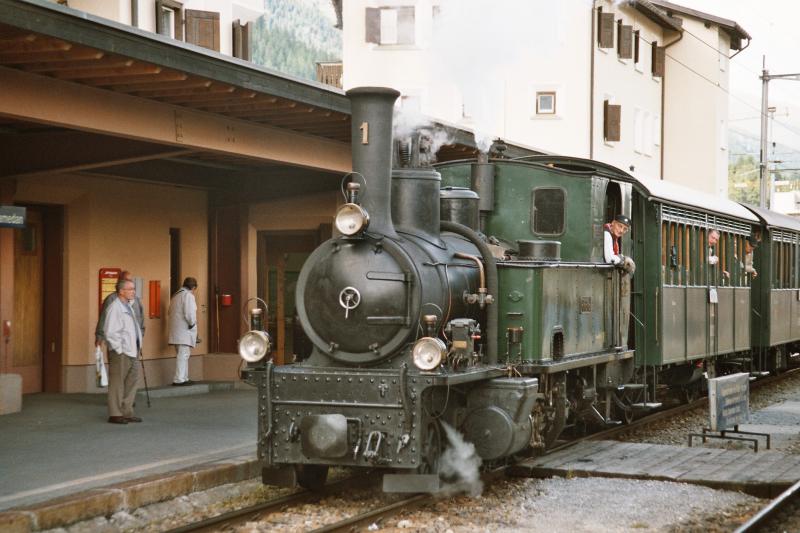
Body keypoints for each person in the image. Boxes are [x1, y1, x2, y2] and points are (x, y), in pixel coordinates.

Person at [104, 278, 143, 424]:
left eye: (134, 289)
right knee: (117, 383)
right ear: (121, 291)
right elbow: (111, 332)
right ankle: (115, 413)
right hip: (122, 352)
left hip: (132, 351)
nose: (133, 291)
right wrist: (119, 349)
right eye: (130, 289)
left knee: (131, 382)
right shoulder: (115, 308)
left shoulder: (129, 306)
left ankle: (126, 411)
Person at [96, 270, 145, 347]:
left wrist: (140, 335)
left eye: (130, 280)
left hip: (134, 343)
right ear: (120, 282)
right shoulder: (111, 299)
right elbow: (104, 319)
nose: (130, 283)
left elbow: (141, 319)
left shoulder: (136, 300)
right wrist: (99, 337)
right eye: (126, 280)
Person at [168, 277, 198, 386]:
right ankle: (179, 379)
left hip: (176, 331)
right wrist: (192, 324)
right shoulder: (188, 296)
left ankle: (184, 377)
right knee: (183, 354)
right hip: (184, 331)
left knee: (183, 354)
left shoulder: (176, 295)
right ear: (193, 287)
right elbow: (190, 314)